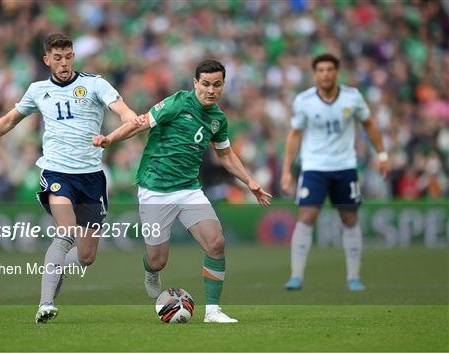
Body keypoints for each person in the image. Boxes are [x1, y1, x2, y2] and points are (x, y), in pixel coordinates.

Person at [0, 33, 142, 323]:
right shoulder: (37, 90)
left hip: (92, 177)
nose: (64, 62)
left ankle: (53, 269)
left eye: (68, 56)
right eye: (58, 58)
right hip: (57, 172)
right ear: (47, 60)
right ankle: (45, 302)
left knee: (86, 256)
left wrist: (130, 118)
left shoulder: (94, 84)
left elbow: (121, 109)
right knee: (66, 230)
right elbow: (9, 120)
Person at [93, 59, 272, 323]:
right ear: (195, 83)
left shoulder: (218, 119)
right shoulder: (178, 102)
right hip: (155, 189)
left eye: (217, 85)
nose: (211, 90)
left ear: (223, 86)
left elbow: (225, 155)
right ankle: (150, 270)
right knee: (157, 260)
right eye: (206, 84)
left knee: (216, 242)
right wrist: (110, 138)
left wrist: (250, 181)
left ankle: (212, 311)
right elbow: (140, 123)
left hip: (189, 190)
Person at [280, 53, 390, 292]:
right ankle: (296, 276)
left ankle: (353, 276)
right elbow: (294, 134)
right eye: (321, 70)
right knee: (307, 215)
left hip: (345, 166)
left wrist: (381, 155)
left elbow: (369, 124)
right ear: (315, 74)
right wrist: (287, 170)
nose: (325, 74)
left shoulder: (352, 97)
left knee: (349, 218)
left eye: (330, 69)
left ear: (336, 73)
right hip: (314, 167)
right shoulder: (304, 100)